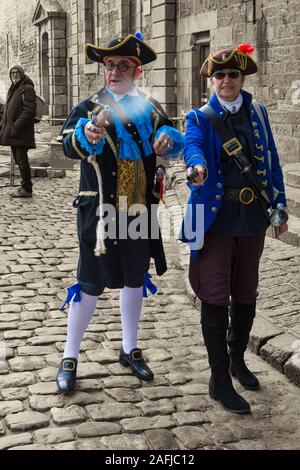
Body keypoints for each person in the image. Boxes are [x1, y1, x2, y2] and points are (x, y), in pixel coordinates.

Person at [56, 32, 184, 393]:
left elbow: (170, 137)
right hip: (98, 211)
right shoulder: (88, 107)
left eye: (122, 66)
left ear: (136, 71)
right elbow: (68, 144)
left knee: (133, 277)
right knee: (90, 282)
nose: (113, 72)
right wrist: (87, 136)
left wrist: (167, 142)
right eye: (109, 65)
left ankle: (129, 348)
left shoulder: (151, 107)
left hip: (138, 208)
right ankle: (70, 356)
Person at [180, 44, 288, 414]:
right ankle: (219, 377)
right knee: (213, 294)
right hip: (213, 219)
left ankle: (237, 358)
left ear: (242, 79)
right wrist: (196, 168)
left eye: (233, 75)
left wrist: (280, 204)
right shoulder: (198, 116)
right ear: (212, 80)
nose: (227, 81)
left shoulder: (257, 111)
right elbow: (192, 149)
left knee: (246, 290)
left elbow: (271, 159)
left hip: (253, 217)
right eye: (220, 75)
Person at [0, 65, 36, 197]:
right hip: (14, 133)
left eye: (17, 73)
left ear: (21, 74)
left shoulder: (27, 89)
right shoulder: (14, 89)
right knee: (18, 159)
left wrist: (15, 126)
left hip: (21, 132)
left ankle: (27, 188)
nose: (14, 75)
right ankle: (25, 185)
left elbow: (29, 111)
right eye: (12, 73)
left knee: (22, 160)